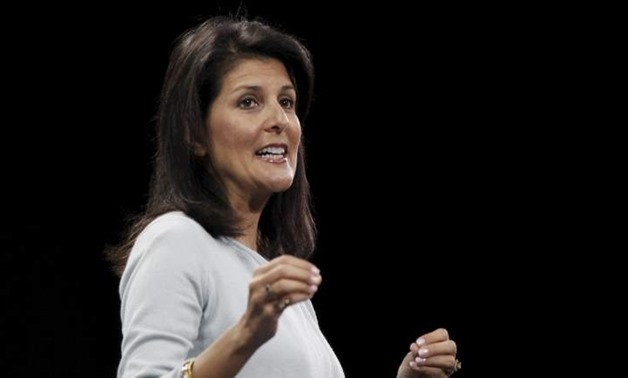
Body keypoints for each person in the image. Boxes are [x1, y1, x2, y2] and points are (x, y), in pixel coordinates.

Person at [106, 15, 461, 378]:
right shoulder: (176, 240)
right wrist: (246, 335)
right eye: (248, 102)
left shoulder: (274, 276)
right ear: (194, 134)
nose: (280, 120)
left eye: (287, 102)